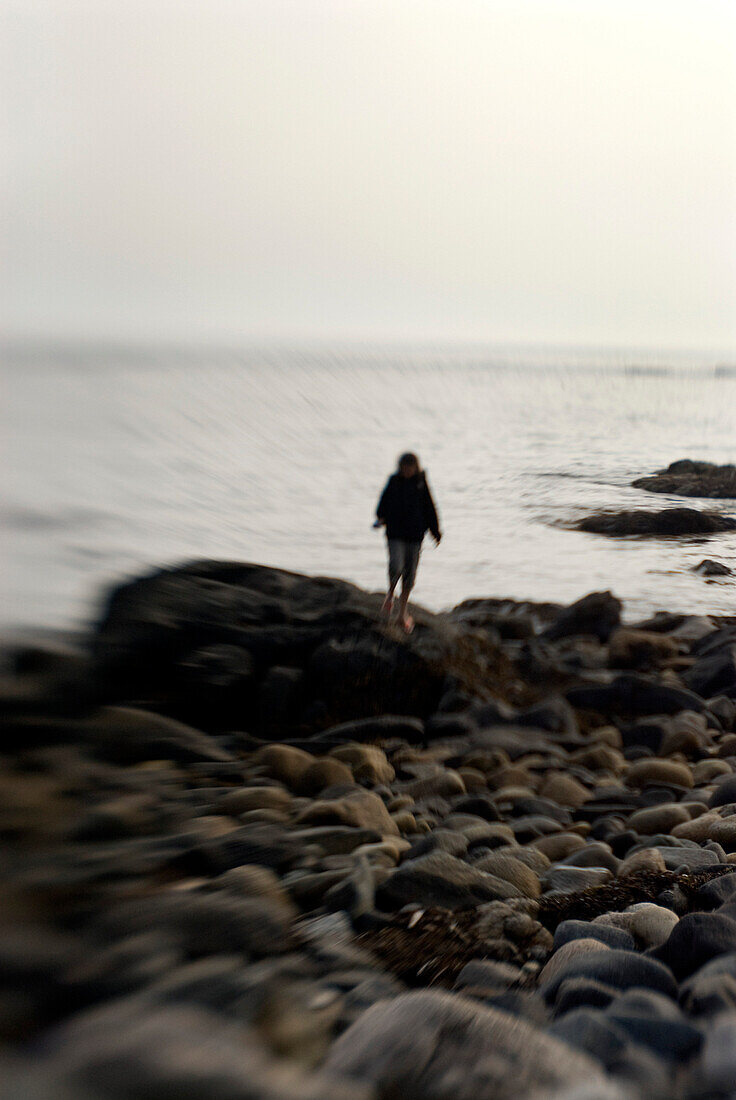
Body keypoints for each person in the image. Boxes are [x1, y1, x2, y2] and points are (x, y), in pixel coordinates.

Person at [375, 452, 442, 633]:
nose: (406, 471)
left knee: (410, 576)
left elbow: (429, 507)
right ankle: (389, 596)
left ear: (415, 467)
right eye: (404, 468)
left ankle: (402, 613)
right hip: (395, 534)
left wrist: (435, 532)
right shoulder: (394, 481)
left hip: (415, 537)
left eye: (409, 468)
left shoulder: (421, 483)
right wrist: (381, 517)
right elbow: (382, 504)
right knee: (396, 566)